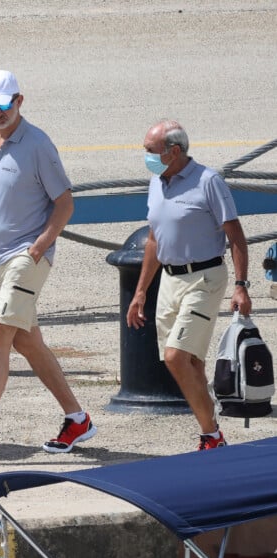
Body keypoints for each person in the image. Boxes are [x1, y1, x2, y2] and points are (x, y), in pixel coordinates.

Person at [0, 70, 96, 465]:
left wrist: (39, 247)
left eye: (3, 105)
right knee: (27, 341)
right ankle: (77, 419)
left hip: (26, 258)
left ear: (19, 101)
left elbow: (65, 203)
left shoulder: (38, 145)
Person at [127, 120, 252, 451]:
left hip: (205, 278)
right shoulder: (156, 183)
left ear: (174, 151)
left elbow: (236, 236)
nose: (146, 156)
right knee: (192, 362)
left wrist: (241, 285)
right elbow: (154, 239)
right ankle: (212, 433)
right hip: (170, 279)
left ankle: (211, 434)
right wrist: (141, 291)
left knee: (175, 357)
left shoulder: (208, 182)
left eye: (151, 150)